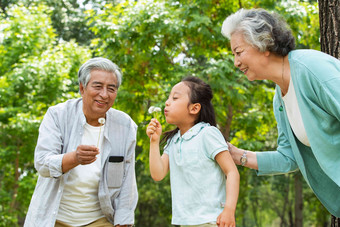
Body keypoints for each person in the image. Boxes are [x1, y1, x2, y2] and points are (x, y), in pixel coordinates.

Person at [221, 8, 340, 225]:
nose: (236, 63)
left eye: (239, 52)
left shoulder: (311, 68)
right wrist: (237, 155)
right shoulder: (280, 97)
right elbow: (289, 158)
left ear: (263, 44)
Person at [24, 57, 138, 227]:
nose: (104, 94)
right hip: (54, 218)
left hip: (100, 219)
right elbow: (42, 163)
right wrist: (74, 158)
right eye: (98, 86)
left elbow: (127, 181)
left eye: (111, 89)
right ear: (82, 88)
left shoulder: (125, 125)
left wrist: (123, 222)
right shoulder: (58, 115)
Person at [146, 76, 240, 227]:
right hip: (185, 222)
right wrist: (154, 142)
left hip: (211, 220)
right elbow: (158, 174)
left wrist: (229, 210)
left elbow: (232, 172)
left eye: (175, 98)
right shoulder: (173, 140)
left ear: (194, 108)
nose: (167, 102)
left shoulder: (207, 133)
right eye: (168, 97)